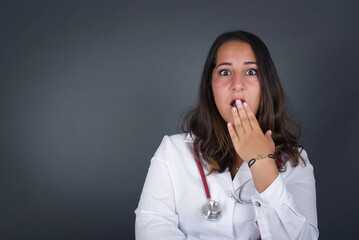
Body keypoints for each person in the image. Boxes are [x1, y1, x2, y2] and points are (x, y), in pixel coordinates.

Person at [134, 30, 319, 240]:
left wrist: (261, 162)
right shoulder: (173, 151)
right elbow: (150, 229)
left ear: (266, 84)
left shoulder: (295, 162)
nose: (237, 84)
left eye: (251, 71)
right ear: (210, 85)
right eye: (224, 72)